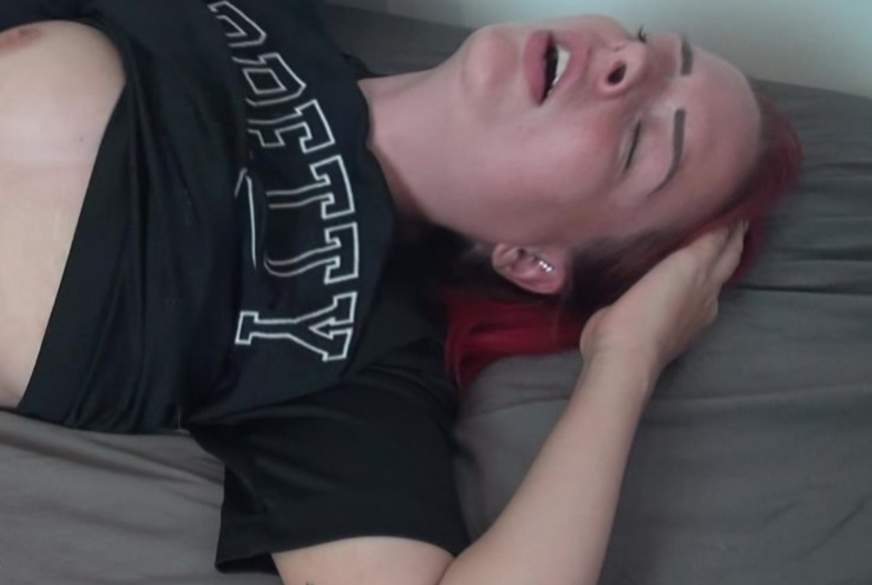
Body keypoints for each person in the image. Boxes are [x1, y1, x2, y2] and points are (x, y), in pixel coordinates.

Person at [0, 2, 801, 585]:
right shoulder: (276, 18)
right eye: (647, 44)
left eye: (641, 145)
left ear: (532, 262)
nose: (627, 65)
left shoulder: (356, 350)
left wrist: (627, 357)